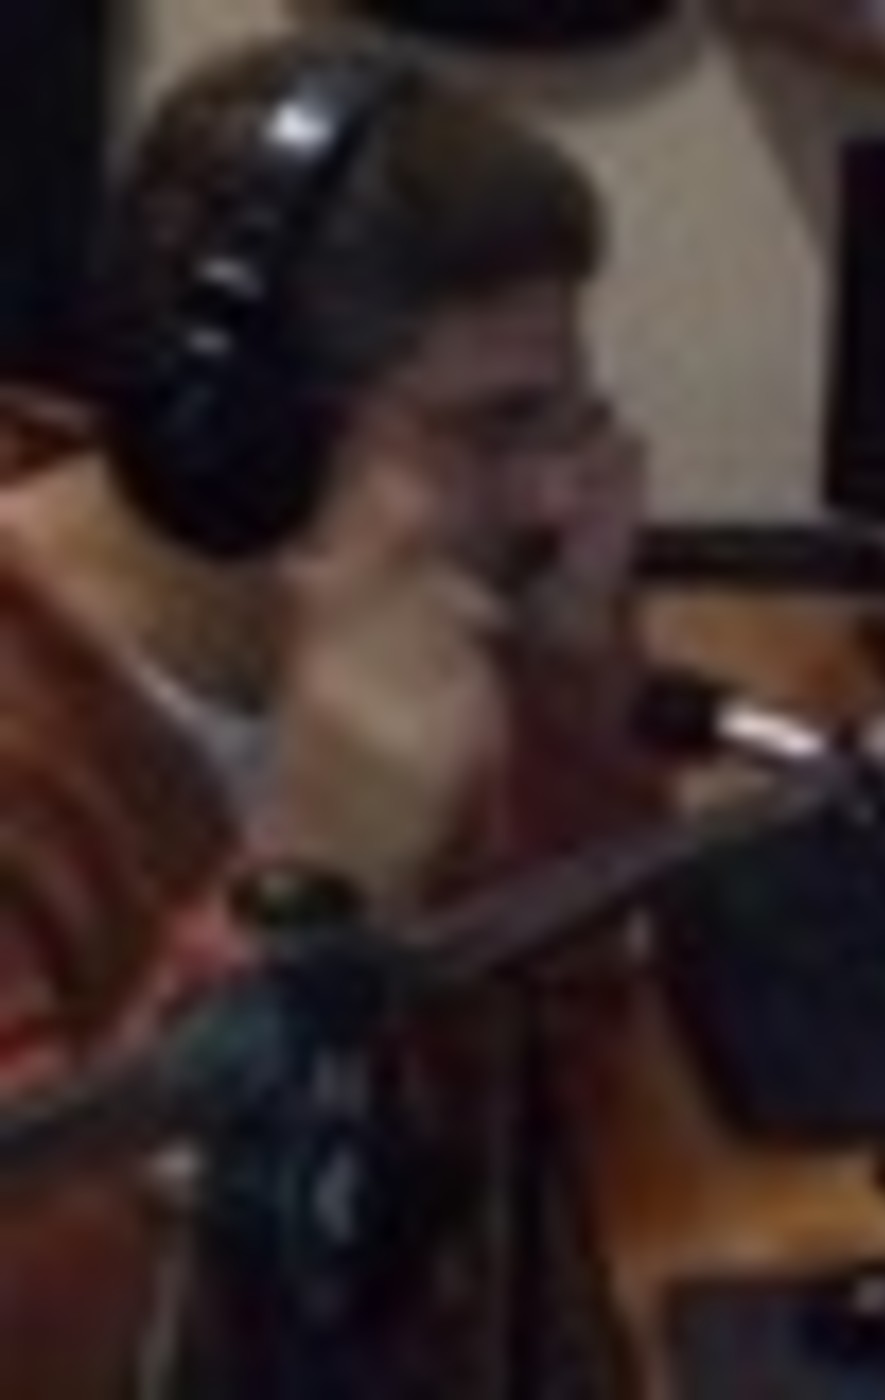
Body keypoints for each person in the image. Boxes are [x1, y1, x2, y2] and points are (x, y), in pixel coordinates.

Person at [0, 26, 656, 1397]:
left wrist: (571, 700)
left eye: (566, 418)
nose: (553, 493)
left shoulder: (398, 625)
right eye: (496, 424)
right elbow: (47, 1346)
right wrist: (304, 879)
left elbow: (550, 1053)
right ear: (239, 439)